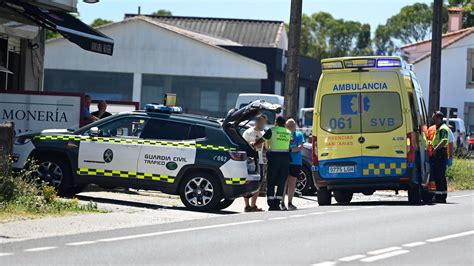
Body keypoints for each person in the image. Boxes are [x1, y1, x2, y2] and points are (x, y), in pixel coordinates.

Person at [253, 116, 291, 211]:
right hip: (285, 159)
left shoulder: (272, 130)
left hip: (274, 158)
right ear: (284, 123)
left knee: (271, 180)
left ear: (276, 122)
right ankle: (277, 203)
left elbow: (262, 140)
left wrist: (254, 145)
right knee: (282, 181)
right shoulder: (288, 132)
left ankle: (271, 203)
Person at [242, 115, 267, 212]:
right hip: (249, 161)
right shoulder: (248, 132)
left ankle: (253, 205)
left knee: (258, 183)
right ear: (257, 122)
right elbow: (243, 145)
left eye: (265, 122)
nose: (263, 124)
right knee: (248, 182)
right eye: (262, 122)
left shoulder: (263, 133)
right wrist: (252, 144)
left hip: (260, 161)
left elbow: (266, 147)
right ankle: (247, 205)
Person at [284, 118, 304, 211]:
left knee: (292, 183)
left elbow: (300, 147)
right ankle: (281, 202)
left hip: (295, 162)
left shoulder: (299, 135)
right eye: (288, 126)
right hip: (285, 161)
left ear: (295, 126)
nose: (290, 127)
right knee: (283, 182)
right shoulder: (284, 135)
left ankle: (290, 202)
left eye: (292, 126)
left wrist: (290, 150)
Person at [430, 111, 450, 203]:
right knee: (439, 175)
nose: (433, 120)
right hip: (439, 153)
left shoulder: (443, 128)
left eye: (434, 118)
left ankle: (440, 197)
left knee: (439, 175)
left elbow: (444, 140)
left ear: (439, 118)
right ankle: (441, 195)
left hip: (440, 154)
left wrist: (435, 149)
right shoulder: (439, 128)